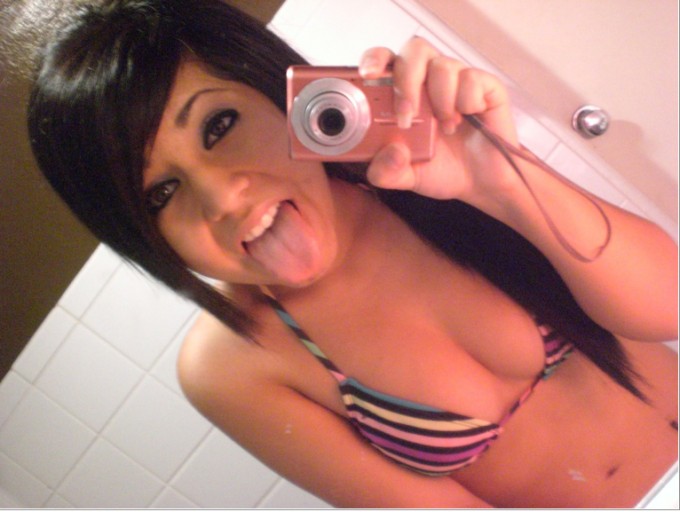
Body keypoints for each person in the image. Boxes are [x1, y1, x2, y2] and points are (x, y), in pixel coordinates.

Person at [25, 0, 677, 507]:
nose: (220, 197)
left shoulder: (413, 159)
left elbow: (669, 306)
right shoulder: (231, 366)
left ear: (272, 91)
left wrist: (499, 181)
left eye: (219, 126)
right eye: (160, 193)